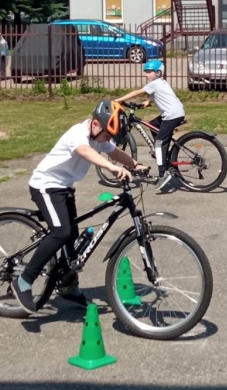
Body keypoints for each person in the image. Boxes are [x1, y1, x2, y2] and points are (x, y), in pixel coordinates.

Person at [12, 99, 147, 313]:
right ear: (95, 124)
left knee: (72, 240)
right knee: (61, 232)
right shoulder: (78, 133)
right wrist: (111, 168)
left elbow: (115, 152)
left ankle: (67, 286)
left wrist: (135, 164)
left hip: (64, 188)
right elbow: (85, 152)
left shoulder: (99, 137)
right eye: (107, 135)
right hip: (45, 185)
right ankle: (24, 281)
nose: (108, 139)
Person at [117, 58, 185, 193]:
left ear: (158, 72)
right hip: (176, 113)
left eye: (149, 72)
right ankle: (162, 153)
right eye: (146, 72)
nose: (146, 74)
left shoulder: (155, 83)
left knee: (159, 142)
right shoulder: (161, 83)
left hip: (171, 116)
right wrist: (147, 102)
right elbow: (157, 96)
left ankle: (163, 174)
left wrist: (118, 100)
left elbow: (137, 92)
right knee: (153, 125)